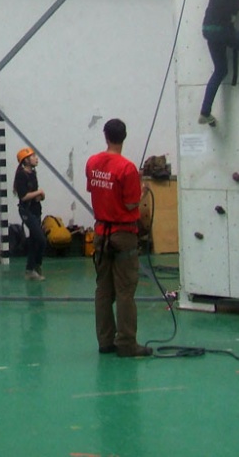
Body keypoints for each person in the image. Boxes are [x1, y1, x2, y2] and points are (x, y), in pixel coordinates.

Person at [86, 118, 151, 358]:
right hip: (123, 234)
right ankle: (126, 343)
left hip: (101, 233)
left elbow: (96, 189)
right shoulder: (127, 168)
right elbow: (131, 203)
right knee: (125, 291)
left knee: (103, 290)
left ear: (105, 136)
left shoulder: (92, 162)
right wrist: (141, 190)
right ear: (124, 137)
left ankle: (105, 341)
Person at [14, 147, 47, 281]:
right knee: (41, 239)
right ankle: (36, 265)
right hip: (27, 211)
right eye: (33, 156)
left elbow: (34, 195)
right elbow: (23, 196)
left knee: (34, 240)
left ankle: (31, 269)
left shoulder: (33, 173)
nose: (36, 158)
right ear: (26, 160)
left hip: (36, 210)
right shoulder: (21, 175)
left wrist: (40, 196)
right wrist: (39, 192)